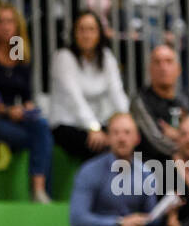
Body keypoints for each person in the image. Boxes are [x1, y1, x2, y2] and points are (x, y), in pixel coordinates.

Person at [0, 3, 53, 203]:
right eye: (0, 22)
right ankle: (37, 187)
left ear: (17, 27)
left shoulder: (19, 55)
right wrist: (8, 111)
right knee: (36, 138)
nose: (6, 27)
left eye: (10, 22)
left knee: (41, 125)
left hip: (16, 117)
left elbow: (25, 94)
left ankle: (39, 190)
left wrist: (27, 107)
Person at [49, 9, 129, 160]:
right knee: (100, 146)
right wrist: (93, 127)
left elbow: (117, 91)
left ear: (99, 33)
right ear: (74, 33)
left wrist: (126, 122)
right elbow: (74, 99)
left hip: (98, 122)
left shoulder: (106, 56)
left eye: (91, 29)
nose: (87, 35)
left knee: (131, 140)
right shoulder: (63, 57)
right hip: (66, 124)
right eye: (82, 30)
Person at [131, 44, 189, 166]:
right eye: (157, 62)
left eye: (169, 62)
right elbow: (158, 143)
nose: (163, 67)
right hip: (157, 169)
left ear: (178, 69)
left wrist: (181, 135)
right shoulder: (141, 101)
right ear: (150, 69)